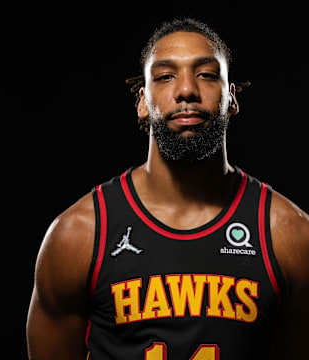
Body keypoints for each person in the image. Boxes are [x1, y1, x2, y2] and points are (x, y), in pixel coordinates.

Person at [26, 17, 309, 360]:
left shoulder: (290, 234)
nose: (186, 89)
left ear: (231, 98)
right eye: (165, 76)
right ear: (143, 101)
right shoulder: (79, 234)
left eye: (206, 73)